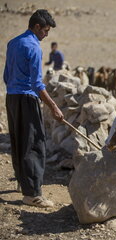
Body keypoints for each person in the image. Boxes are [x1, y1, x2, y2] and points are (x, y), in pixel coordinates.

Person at [3, 9, 64, 208]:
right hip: (27, 99)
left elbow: (6, 75)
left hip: (11, 98)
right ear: (37, 27)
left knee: (19, 141)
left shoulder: (13, 43)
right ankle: (33, 194)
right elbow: (37, 84)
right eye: (45, 31)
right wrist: (54, 107)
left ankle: (23, 183)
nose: (46, 35)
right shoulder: (34, 47)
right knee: (35, 145)